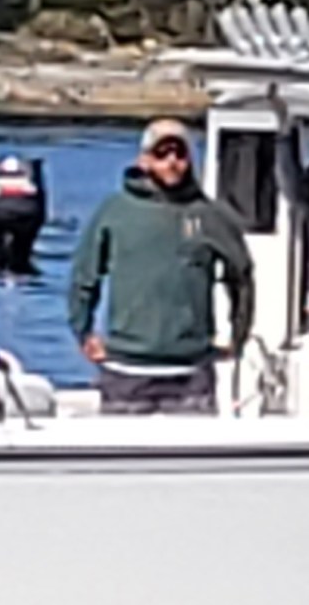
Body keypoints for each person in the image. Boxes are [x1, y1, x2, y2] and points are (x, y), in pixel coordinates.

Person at [68, 119, 254, 416]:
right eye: (162, 153)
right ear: (144, 159)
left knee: (194, 446)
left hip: (191, 373)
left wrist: (238, 335)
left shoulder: (209, 215)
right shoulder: (115, 212)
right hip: (126, 371)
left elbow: (241, 276)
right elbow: (84, 277)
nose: (171, 162)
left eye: (179, 154)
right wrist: (83, 331)